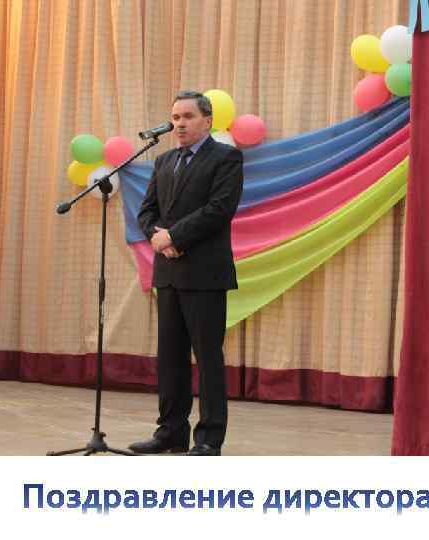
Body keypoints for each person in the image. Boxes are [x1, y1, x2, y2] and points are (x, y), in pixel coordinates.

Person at [129, 90, 244, 456]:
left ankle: (209, 437)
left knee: (207, 358)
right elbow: (147, 211)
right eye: (176, 117)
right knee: (170, 358)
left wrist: (175, 237)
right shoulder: (164, 161)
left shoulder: (226, 158)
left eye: (188, 117)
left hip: (205, 274)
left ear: (207, 121)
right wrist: (159, 239)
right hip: (169, 273)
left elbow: (219, 209)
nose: (179, 124)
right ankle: (171, 432)